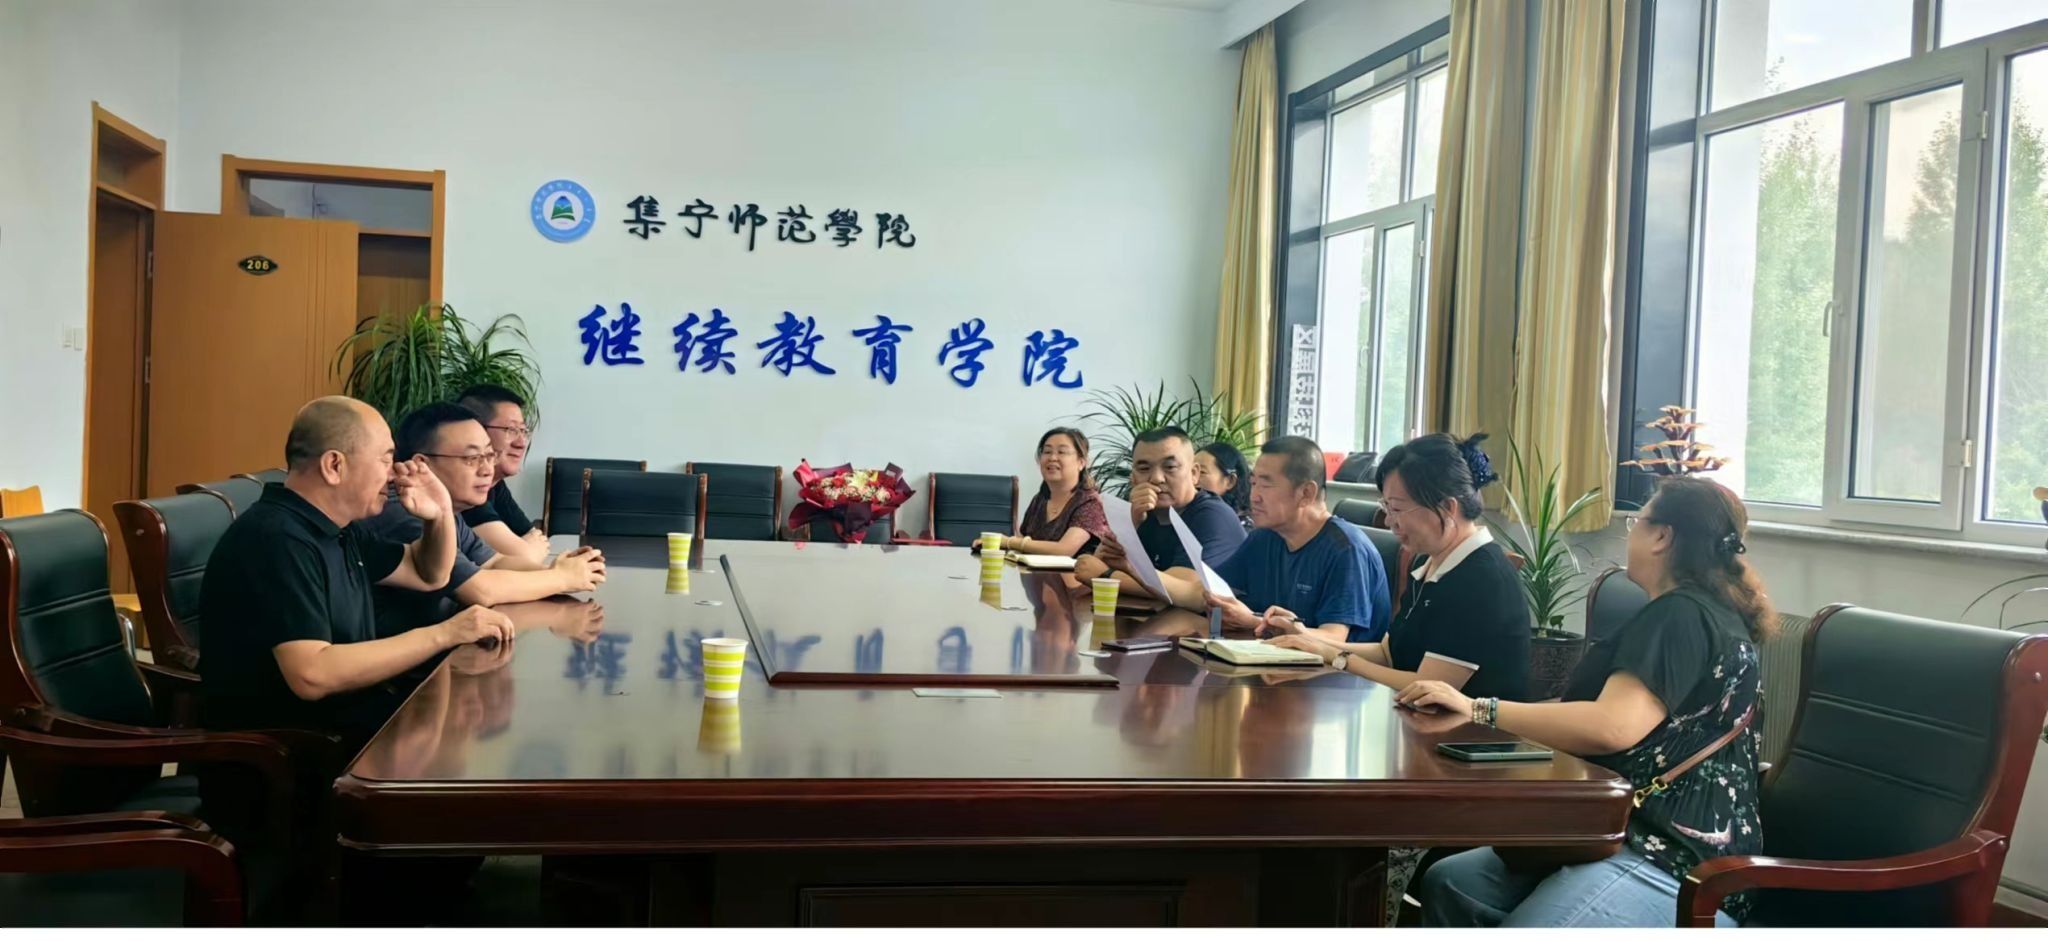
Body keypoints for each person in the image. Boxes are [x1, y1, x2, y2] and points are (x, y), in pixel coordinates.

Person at [1405, 476, 1773, 928]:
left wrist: (1480, 708)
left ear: (1663, 536)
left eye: (1638, 522)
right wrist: (1484, 709)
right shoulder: (1697, 611)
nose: (1630, 533)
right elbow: (1598, 714)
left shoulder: (1681, 614)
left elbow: (1611, 726)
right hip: (1614, 826)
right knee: (1451, 881)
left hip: (1676, 860)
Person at [199, 396, 515, 751]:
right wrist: (446, 633)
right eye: (385, 459)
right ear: (334, 465)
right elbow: (312, 674)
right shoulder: (278, 539)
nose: (394, 473)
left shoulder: (340, 528)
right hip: (291, 753)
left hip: (353, 724)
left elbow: (429, 574)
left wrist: (439, 515)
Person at [1266, 433, 1531, 701]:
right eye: (1386, 507)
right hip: (1420, 718)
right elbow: (1388, 654)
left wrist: (1339, 658)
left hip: (1468, 727)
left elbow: (1427, 686)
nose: (1389, 521)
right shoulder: (1431, 564)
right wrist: (1309, 639)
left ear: (1447, 507)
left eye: (1397, 509)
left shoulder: (1479, 578)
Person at [361, 402, 607, 634]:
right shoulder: (402, 509)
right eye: (472, 458)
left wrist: (556, 570)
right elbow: (478, 589)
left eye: (489, 456)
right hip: (413, 662)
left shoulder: (446, 509)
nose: (487, 469)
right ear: (422, 464)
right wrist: (561, 578)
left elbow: (494, 562)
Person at [1204, 436, 1390, 644]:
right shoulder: (1264, 537)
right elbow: (1214, 589)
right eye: (1253, 483)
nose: (1253, 496)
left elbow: (1333, 637)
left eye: (1265, 485)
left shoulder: (1346, 549)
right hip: (1270, 656)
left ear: (1306, 493)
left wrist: (1252, 621)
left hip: (1332, 665)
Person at [1074, 426, 1246, 609]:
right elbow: (1092, 565)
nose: (1156, 478)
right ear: (1133, 479)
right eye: (1144, 468)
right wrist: (1131, 522)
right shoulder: (1144, 513)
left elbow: (1181, 588)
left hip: (1213, 624)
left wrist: (1106, 576)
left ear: (1194, 473)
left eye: (1170, 467)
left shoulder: (1213, 515)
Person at [457, 384, 548, 564]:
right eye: (511, 430)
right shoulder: (463, 490)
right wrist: (524, 549)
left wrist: (525, 548)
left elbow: (535, 538)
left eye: (523, 431)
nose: (521, 443)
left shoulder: (495, 484)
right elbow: (525, 558)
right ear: (476, 430)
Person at [999, 427, 1110, 557]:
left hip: (1074, 571)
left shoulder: (1090, 503)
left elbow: (1064, 550)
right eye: (1047, 452)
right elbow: (1023, 538)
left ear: (1081, 462)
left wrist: (1008, 542)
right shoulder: (1040, 499)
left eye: (1061, 452)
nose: (1052, 457)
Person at [1193, 441, 1253, 529]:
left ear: (1230, 481)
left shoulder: (1243, 529)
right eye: (1192, 471)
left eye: (1202, 472)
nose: (1192, 479)